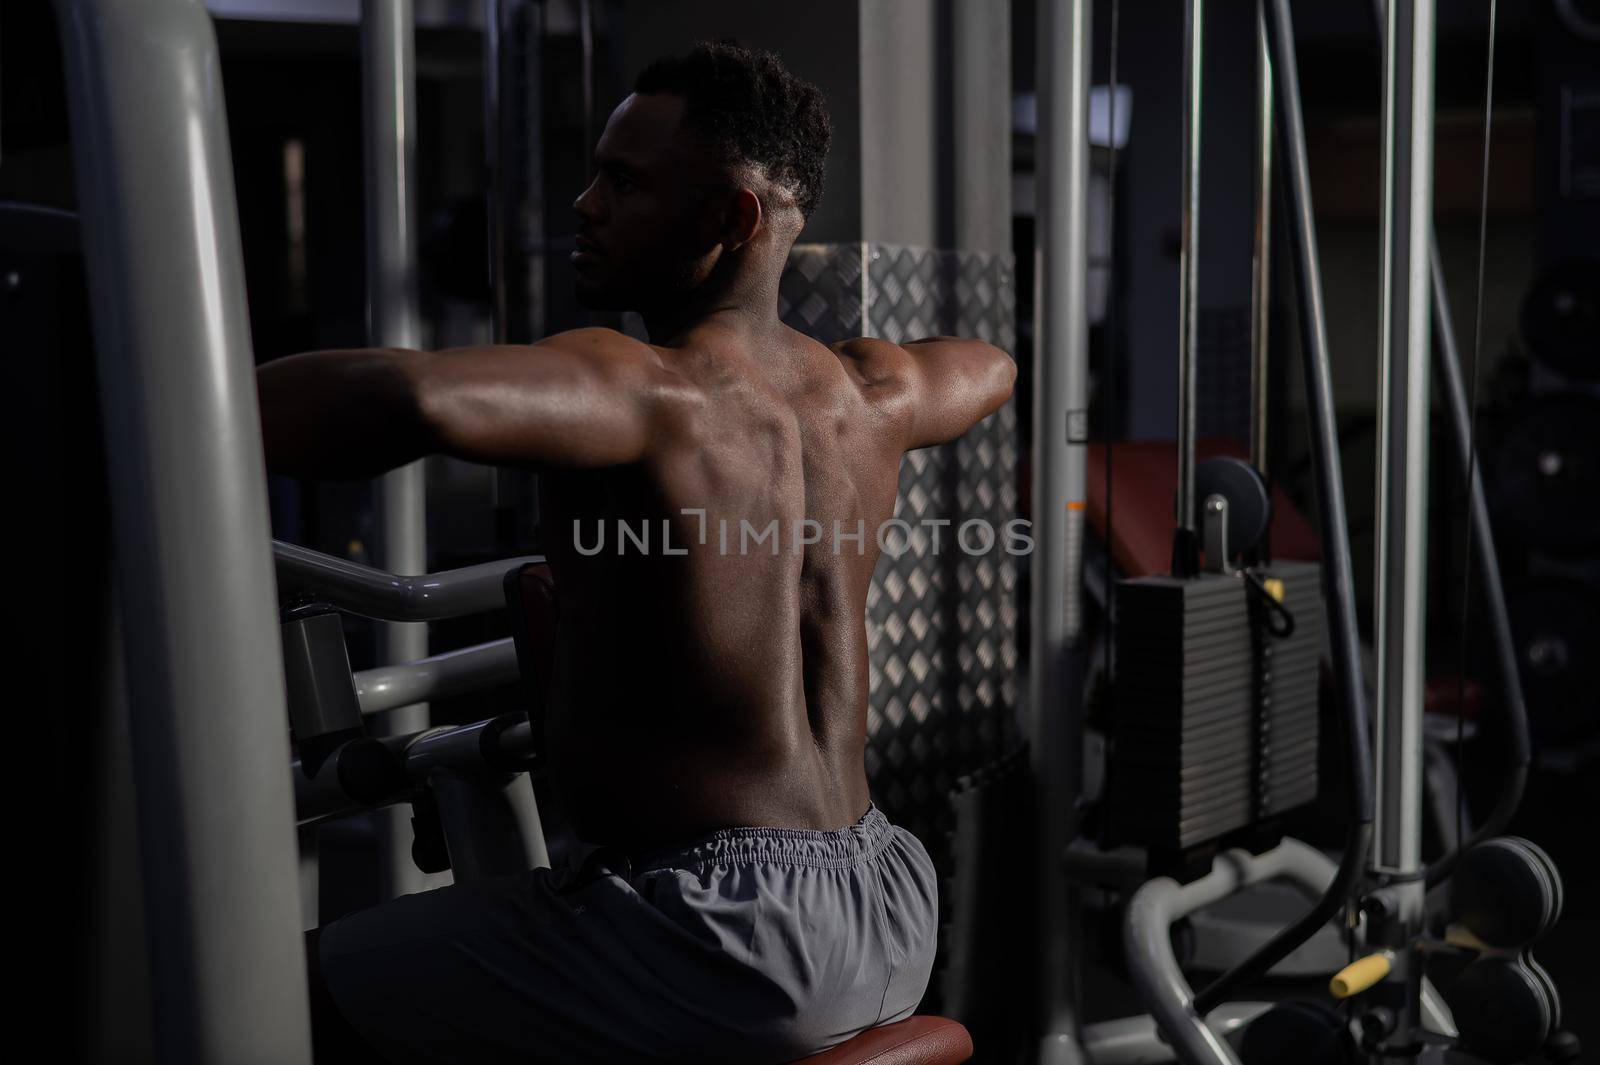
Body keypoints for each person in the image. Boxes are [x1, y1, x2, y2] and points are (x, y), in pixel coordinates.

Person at [260, 41, 1015, 1065]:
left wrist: (158, 383)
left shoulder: (642, 387)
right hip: (886, 899)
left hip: (719, 933)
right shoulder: (868, 395)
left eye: (623, 181)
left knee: (269, 996)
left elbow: (412, 396)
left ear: (730, 219)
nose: (584, 203)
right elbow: (990, 368)